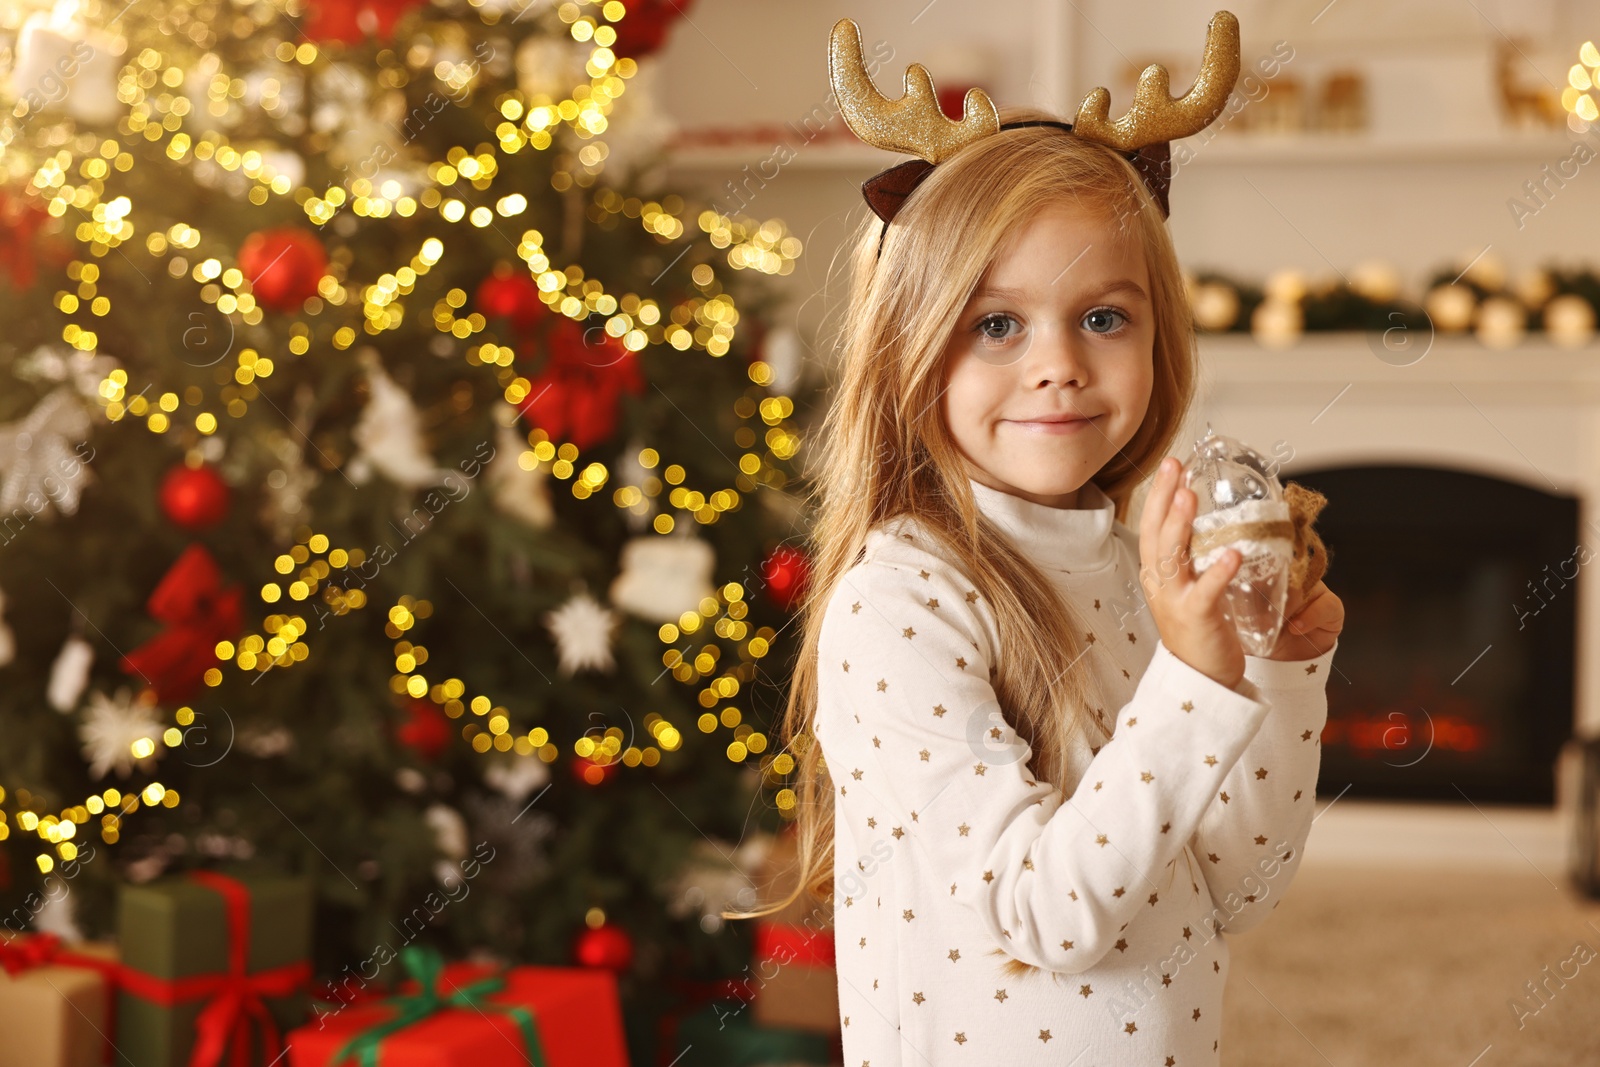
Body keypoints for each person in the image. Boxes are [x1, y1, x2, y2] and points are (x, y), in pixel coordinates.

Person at [747, 14, 1345, 1065]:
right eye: (997, 324)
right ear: (910, 352)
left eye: (1103, 318)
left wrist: (1278, 673)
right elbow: (1043, 914)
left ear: (1158, 335)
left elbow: (1237, 887)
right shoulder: (900, 601)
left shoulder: (1134, 567)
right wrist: (1196, 685)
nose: (1058, 363)